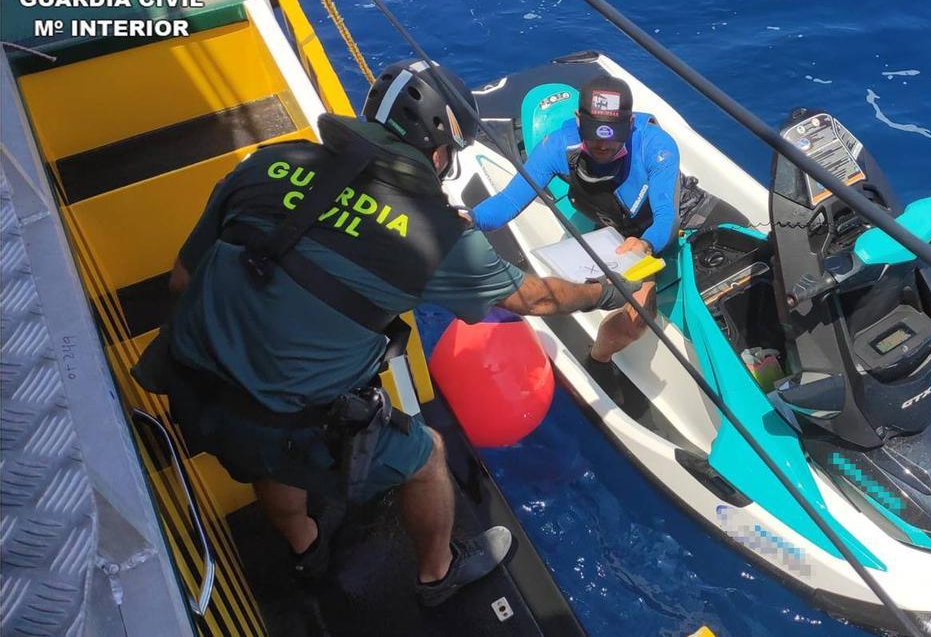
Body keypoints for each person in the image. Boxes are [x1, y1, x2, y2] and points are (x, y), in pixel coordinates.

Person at [159, 59, 633, 607]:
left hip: (195, 388)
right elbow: (539, 298)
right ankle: (438, 573)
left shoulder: (266, 163)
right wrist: (606, 291)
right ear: (437, 150)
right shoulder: (436, 235)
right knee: (426, 454)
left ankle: (303, 546)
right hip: (288, 417)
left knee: (261, 446)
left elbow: (181, 280)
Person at [468, 74, 712, 401]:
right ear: (579, 121)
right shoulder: (558, 145)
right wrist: (467, 218)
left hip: (664, 224)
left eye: (612, 138)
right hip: (623, 235)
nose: (602, 146)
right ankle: (598, 358)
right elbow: (508, 203)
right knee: (636, 320)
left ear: (629, 125)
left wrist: (647, 243)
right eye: (593, 136)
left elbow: (667, 215)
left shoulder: (656, 145)